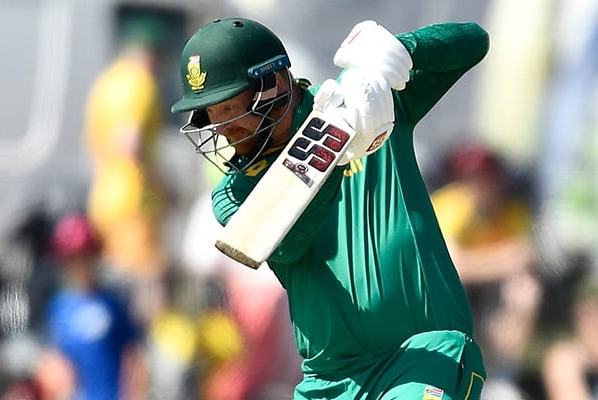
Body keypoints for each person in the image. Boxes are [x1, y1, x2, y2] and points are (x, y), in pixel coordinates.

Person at [171, 17, 490, 399]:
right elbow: (286, 242)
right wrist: (335, 139)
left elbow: (474, 42)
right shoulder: (234, 193)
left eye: (228, 107)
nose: (221, 127)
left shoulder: (364, 97)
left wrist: (401, 50)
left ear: (272, 84)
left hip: (423, 354)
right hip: (328, 381)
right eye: (210, 113)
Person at [430, 142, 542, 396]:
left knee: (526, 290)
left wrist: (493, 263)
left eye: (482, 178)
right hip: (450, 293)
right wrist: (502, 260)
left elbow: (524, 258)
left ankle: (503, 372)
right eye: (467, 177)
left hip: (493, 296)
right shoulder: (451, 205)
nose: (474, 186)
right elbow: (453, 267)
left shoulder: (513, 212)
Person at [85, 12, 170, 292]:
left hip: (105, 198)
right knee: (146, 283)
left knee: (116, 282)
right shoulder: (140, 83)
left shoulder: (107, 82)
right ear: (152, 53)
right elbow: (129, 144)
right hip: (136, 201)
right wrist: (164, 186)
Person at [42, 212, 148, 400]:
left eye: (86, 257)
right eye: (74, 258)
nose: (80, 264)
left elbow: (133, 358)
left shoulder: (112, 304)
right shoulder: (57, 308)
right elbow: (54, 367)